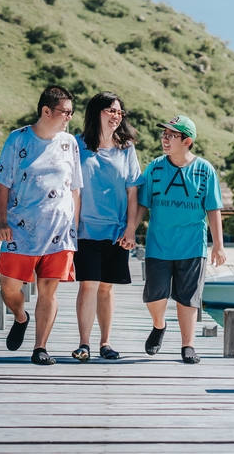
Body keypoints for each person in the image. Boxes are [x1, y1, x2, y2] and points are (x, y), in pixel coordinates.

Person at [0, 85, 82, 365]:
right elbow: (2, 182)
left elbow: (76, 189)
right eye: (65, 112)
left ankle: (40, 347)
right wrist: (2, 220)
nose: (69, 117)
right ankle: (20, 317)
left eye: (71, 112)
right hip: (20, 228)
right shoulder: (17, 140)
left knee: (48, 289)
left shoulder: (70, 142)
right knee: (8, 286)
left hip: (59, 231)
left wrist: (74, 229)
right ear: (46, 111)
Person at [135, 115, 226, 364]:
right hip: (158, 244)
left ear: (187, 141)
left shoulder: (205, 170)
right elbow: (143, 203)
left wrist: (218, 244)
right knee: (154, 296)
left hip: (192, 245)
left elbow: (213, 209)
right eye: (163, 135)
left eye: (171, 135)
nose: (165, 139)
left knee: (188, 299)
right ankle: (159, 325)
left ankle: (188, 345)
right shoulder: (154, 167)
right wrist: (130, 230)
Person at [71, 91, 143, 362]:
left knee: (106, 287)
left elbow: (133, 192)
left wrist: (131, 228)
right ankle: (84, 344)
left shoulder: (126, 149)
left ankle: (105, 342)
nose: (116, 116)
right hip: (84, 229)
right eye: (110, 111)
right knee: (88, 284)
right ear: (96, 112)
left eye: (119, 112)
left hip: (116, 230)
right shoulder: (77, 145)